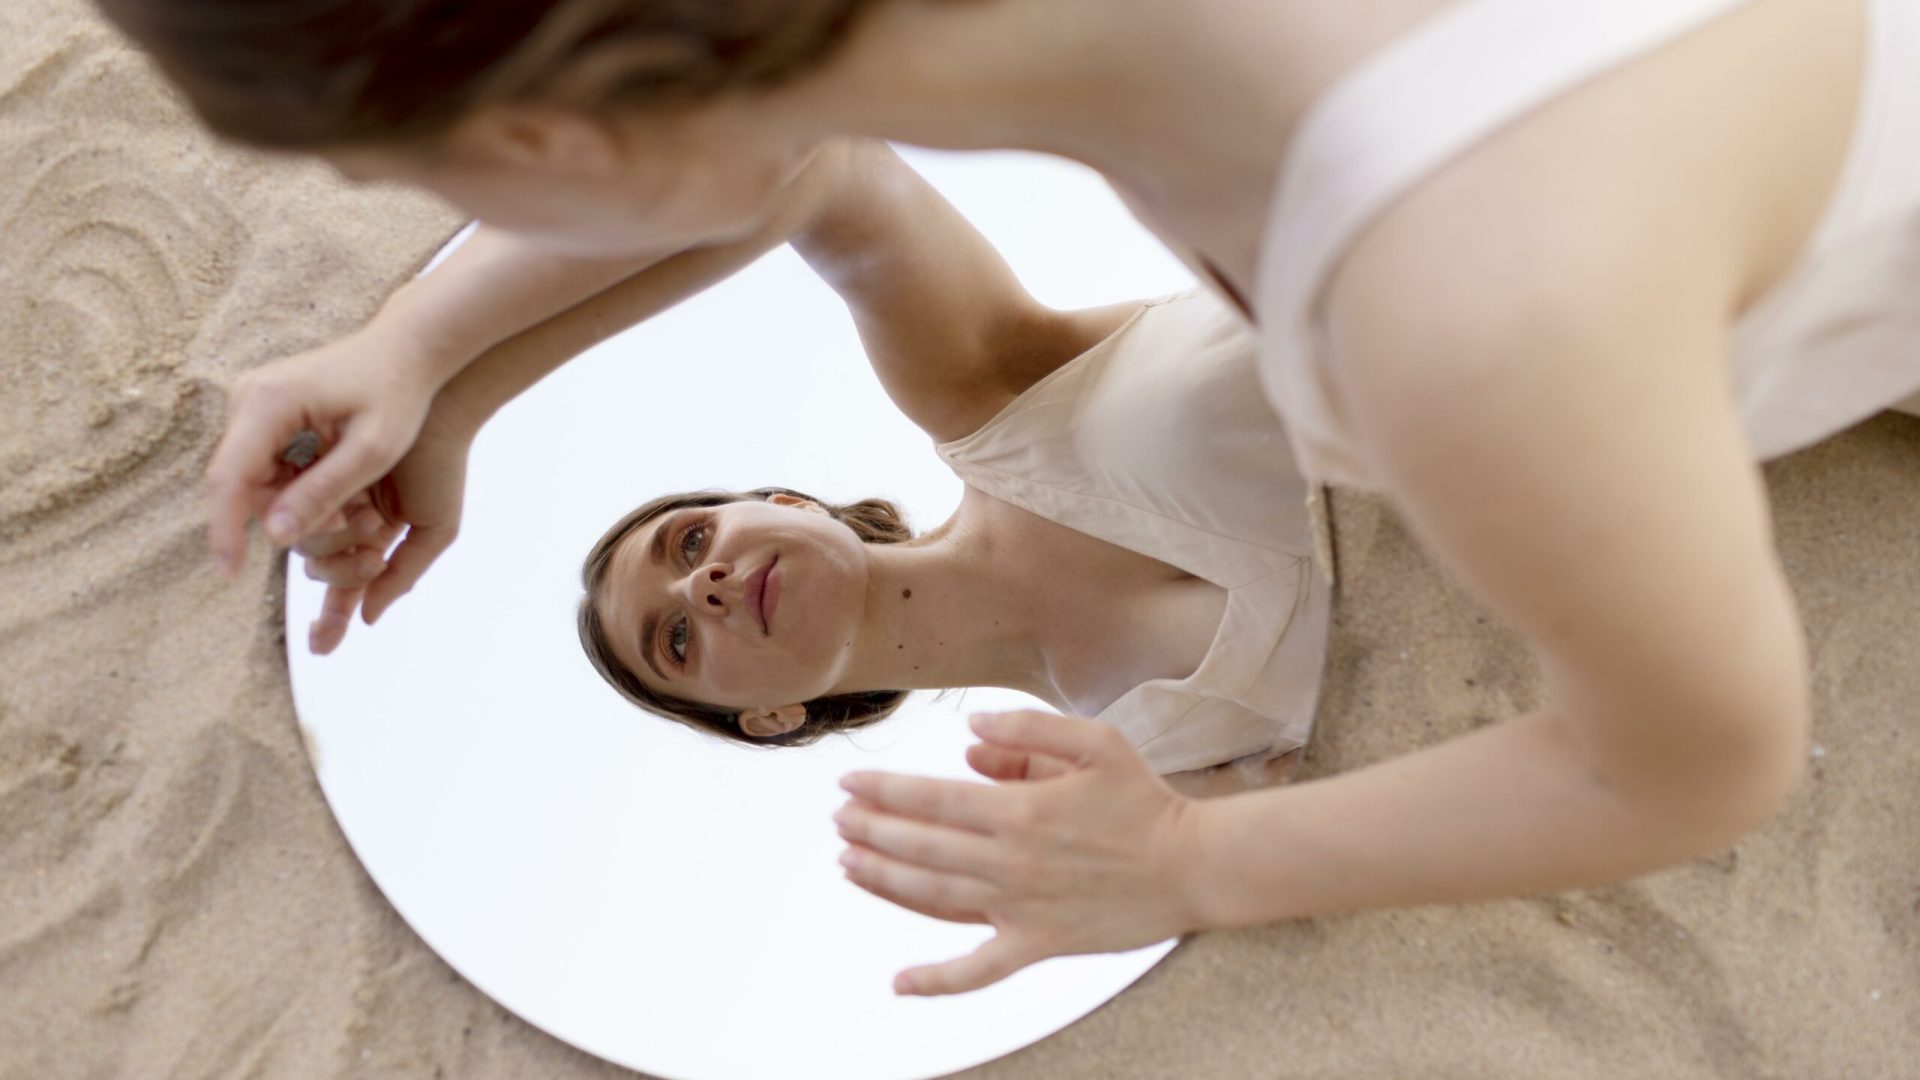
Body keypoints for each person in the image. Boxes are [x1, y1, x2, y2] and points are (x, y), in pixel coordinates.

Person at [100, 0, 1920, 996]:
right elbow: (802, 168)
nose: (712, 573)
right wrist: (430, 356)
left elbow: (1689, 761)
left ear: (571, 147)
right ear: (767, 712)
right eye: (678, 622)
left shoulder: (1456, 302)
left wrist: (1196, 864)